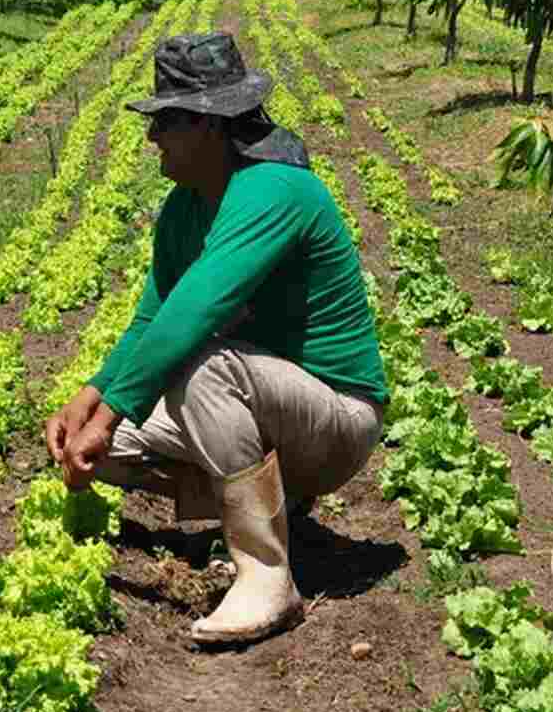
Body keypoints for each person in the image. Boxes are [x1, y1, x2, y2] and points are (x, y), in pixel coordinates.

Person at [45, 32, 388, 645]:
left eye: (165, 122)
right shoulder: (185, 208)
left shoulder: (273, 191)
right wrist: (92, 397)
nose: (152, 137)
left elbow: (196, 313)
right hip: (274, 410)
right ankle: (257, 508)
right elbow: (154, 318)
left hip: (336, 420)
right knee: (109, 446)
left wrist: (111, 410)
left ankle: (266, 575)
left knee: (202, 364)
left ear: (208, 125)